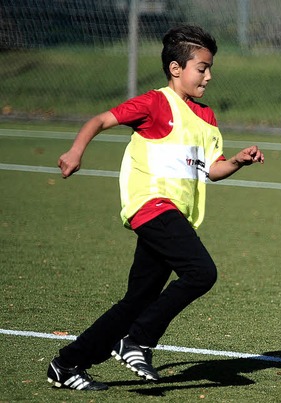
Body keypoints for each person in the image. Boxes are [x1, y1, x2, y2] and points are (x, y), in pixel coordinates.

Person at [47, 25, 264, 391]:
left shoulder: (207, 117)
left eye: (211, 68)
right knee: (201, 273)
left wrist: (238, 160)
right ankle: (138, 340)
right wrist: (75, 151)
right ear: (176, 69)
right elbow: (100, 120)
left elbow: (213, 169)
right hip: (150, 205)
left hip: (174, 216)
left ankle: (66, 364)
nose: (208, 76)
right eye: (202, 67)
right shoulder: (155, 103)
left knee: (137, 300)